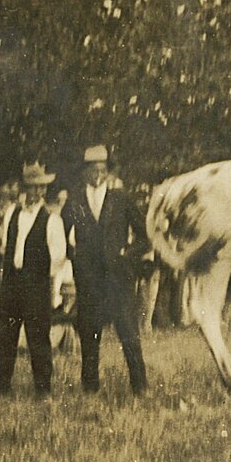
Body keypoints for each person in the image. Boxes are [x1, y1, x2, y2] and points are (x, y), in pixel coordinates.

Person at [63, 144, 150, 395]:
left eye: (102, 169)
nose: (97, 174)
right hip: (89, 280)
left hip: (118, 279)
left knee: (128, 333)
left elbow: (145, 235)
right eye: (92, 170)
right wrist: (74, 258)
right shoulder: (76, 199)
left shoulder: (121, 198)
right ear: (84, 172)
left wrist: (127, 255)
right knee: (89, 334)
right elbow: (60, 232)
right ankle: (90, 387)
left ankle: (140, 387)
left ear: (108, 172)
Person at [0, 162, 66, 398]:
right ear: (24, 188)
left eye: (39, 188)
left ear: (44, 190)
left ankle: (42, 388)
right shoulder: (11, 214)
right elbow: (7, 245)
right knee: (5, 334)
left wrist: (48, 287)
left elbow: (57, 258)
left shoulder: (52, 220)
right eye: (31, 187)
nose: (35, 193)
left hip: (36, 283)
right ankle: (2, 384)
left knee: (37, 336)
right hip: (12, 281)